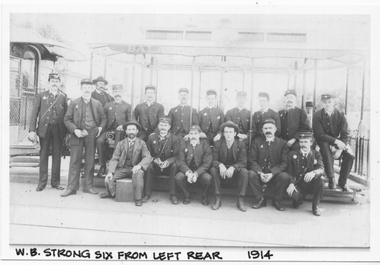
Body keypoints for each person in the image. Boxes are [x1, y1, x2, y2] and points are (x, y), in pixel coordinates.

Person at [61, 78, 106, 197]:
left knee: (90, 161)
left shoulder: (97, 103)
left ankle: (88, 186)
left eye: (88, 87)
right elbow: (67, 119)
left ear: (92, 89)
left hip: (91, 134)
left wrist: (100, 128)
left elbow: (103, 118)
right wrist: (75, 130)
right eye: (84, 87)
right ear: (81, 89)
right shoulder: (74, 103)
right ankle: (71, 188)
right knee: (74, 161)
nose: (86, 89)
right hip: (77, 134)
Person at [28, 73, 68, 191]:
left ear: (59, 83)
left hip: (58, 129)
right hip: (44, 129)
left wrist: (67, 132)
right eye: (52, 81)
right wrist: (31, 130)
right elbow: (34, 113)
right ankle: (42, 182)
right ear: (49, 83)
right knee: (43, 155)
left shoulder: (63, 97)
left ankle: (55, 182)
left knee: (57, 156)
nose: (54, 83)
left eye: (56, 80)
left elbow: (66, 115)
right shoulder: (41, 95)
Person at [99, 121, 151, 206]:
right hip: (122, 168)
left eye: (133, 129)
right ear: (126, 132)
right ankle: (112, 193)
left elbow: (147, 157)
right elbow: (114, 158)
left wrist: (139, 166)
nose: (131, 131)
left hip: (135, 168)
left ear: (137, 131)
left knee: (139, 174)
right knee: (109, 178)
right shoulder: (120, 143)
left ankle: (138, 198)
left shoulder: (142, 143)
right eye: (129, 129)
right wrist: (110, 172)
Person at [313, 94, 355, 191]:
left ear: (333, 102)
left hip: (339, 143)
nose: (327, 104)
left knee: (349, 155)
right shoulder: (317, 115)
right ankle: (331, 178)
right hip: (323, 141)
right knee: (325, 147)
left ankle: (343, 182)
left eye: (329, 102)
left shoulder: (341, 114)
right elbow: (319, 134)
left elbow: (345, 133)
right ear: (321, 103)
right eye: (325, 102)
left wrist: (340, 148)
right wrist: (335, 141)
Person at [247, 118, 290, 211]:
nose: (268, 131)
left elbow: (284, 163)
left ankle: (277, 200)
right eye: (265, 129)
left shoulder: (282, 143)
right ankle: (260, 199)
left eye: (270, 128)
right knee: (250, 173)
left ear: (275, 129)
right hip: (261, 173)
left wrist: (272, 173)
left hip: (274, 175)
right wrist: (259, 172)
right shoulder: (256, 142)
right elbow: (252, 160)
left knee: (285, 176)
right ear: (262, 130)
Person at [210, 121, 249, 212]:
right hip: (222, 169)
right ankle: (217, 198)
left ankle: (240, 199)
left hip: (235, 170)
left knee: (244, 172)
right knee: (213, 170)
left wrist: (233, 167)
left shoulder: (241, 144)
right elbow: (213, 160)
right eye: (226, 132)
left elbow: (243, 162)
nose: (228, 134)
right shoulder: (218, 143)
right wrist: (220, 165)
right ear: (223, 133)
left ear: (235, 133)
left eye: (230, 132)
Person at [95, 84, 132, 177]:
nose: (117, 94)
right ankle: (102, 165)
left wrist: (123, 126)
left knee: (118, 137)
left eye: (119, 92)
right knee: (99, 141)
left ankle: (114, 166)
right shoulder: (108, 105)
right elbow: (103, 118)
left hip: (121, 131)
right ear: (113, 93)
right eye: (115, 92)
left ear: (122, 93)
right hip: (109, 130)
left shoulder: (127, 106)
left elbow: (131, 120)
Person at [285, 132, 325, 216]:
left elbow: (321, 169)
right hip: (299, 183)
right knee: (292, 193)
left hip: (312, 184)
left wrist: (314, 172)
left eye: (305, 142)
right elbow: (290, 171)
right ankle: (300, 199)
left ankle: (315, 206)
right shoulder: (292, 154)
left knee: (321, 180)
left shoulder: (316, 154)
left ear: (311, 142)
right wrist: (291, 183)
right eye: (301, 142)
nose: (303, 144)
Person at [144, 117, 181, 204]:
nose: (163, 127)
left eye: (165, 125)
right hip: (156, 165)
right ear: (158, 126)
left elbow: (177, 156)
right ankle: (147, 193)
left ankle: (173, 194)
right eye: (161, 125)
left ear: (169, 127)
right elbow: (147, 153)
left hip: (168, 166)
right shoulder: (151, 137)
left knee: (175, 166)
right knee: (149, 166)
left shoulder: (175, 139)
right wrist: (154, 160)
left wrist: (168, 162)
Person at [175, 125, 213, 205]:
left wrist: (196, 173)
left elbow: (207, 163)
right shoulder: (183, 144)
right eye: (191, 133)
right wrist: (188, 173)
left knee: (208, 178)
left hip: (200, 171)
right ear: (188, 135)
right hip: (187, 170)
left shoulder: (205, 145)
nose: (193, 136)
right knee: (178, 177)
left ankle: (204, 196)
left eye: (196, 133)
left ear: (200, 135)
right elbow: (180, 162)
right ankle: (186, 195)